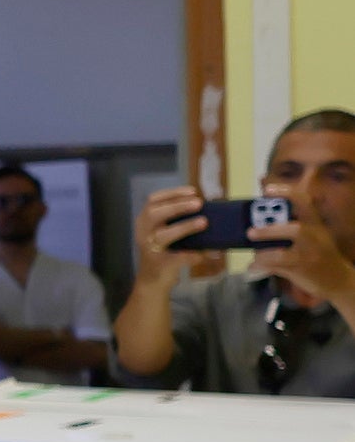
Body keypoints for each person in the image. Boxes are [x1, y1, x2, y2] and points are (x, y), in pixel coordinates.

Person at [115, 110, 355, 397]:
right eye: (289, 174)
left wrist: (341, 285)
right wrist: (152, 281)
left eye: (337, 176)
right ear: (266, 188)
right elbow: (140, 372)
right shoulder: (215, 300)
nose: (308, 192)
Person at [0, 163, 110, 386]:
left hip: (60, 407)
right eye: (1, 202)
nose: (13, 210)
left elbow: (95, 353)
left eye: (23, 200)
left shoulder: (78, 277)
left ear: (42, 209)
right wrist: (55, 336)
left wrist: (1, 341)